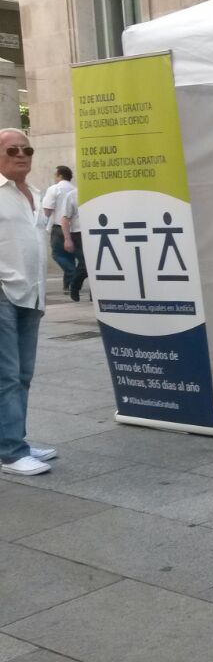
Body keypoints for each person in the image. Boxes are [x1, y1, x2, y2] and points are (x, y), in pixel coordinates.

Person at [0, 129, 56, 476]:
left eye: (27, 149)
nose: (22, 155)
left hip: (32, 293)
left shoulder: (35, 193)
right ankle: (10, 452)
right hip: (3, 293)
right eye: (12, 150)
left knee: (22, 374)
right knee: (6, 375)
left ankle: (14, 438)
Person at [41, 165, 76, 295]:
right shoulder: (75, 190)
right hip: (74, 228)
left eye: (55, 175)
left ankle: (74, 273)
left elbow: (47, 210)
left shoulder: (54, 189)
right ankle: (69, 286)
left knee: (57, 254)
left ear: (60, 175)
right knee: (70, 256)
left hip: (59, 227)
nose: (54, 178)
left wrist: (41, 225)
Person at [58, 186, 88, 301]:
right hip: (78, 233)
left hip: (96, 232)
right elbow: (65, 218)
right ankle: (74, 285)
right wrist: (67, 239)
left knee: (97, 265)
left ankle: (94, 294)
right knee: (85, 264)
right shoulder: (72, 195)